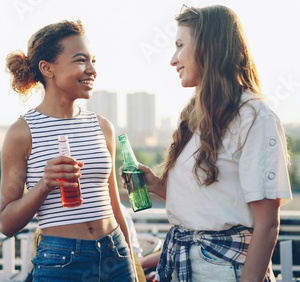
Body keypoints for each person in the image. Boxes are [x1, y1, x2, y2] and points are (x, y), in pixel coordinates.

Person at [125, 5, 292, 282]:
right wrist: (157, 186)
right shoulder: (194, 116)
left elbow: (267, 224)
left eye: (180, 45)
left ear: (209, 47)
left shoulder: (254, 116)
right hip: (185, 265)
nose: (172, 59)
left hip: (225, 270)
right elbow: (214, 204)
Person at [0, 19, 143, 282]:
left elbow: (113, 204)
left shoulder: (102, 126)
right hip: (61, 262)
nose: (92, 70)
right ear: (47, 69)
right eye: (80, 61)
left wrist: (132, 264)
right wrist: (44, 184)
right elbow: (7, 223)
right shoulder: (21, 132)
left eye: (93, 61)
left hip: (116, 254)